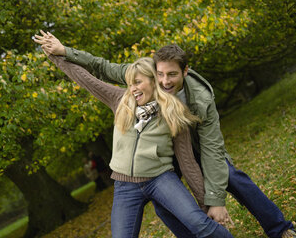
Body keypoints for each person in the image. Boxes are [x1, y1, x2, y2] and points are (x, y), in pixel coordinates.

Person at [34, 31, 296, 238]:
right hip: (156, 156)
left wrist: (213, 203)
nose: (165, 81)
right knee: (165, 207)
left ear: (185, 71)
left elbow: (210, 150)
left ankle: (280, 228)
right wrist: (63, 52)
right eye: (159, 74)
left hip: (192, 143)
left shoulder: (197, 100)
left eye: (172, 75)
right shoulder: (138, 83)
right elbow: (98, 69)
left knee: (230, 176)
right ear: (152, 70)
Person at [39, 48, 234, 237]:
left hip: (161, 179)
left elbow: (187, 162)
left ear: (153, 81)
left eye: (138, 82)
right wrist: (57, 55)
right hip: (125, 186)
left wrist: (206, 204)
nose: (132, 89)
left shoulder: (174, 112)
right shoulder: (119, 99)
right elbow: (86, 79)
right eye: (130, 84)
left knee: (200, 224)